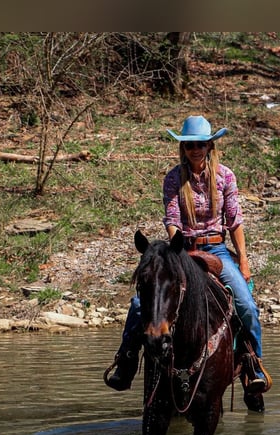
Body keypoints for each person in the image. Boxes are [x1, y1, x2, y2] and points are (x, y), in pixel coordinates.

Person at [104, 115, 270, 408]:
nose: (195, 149)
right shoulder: (173, 179)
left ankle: (253, 363)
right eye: (190, 144)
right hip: (182, 248)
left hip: (217, 249)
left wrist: (243, 259)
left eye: (201, 144)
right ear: (183, 147)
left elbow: (235, 221)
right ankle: (126, 361)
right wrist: (177, 247)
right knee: (140, 303)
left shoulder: (225, 177)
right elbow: (172, 219)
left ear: (209, 145)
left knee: (246, 304)